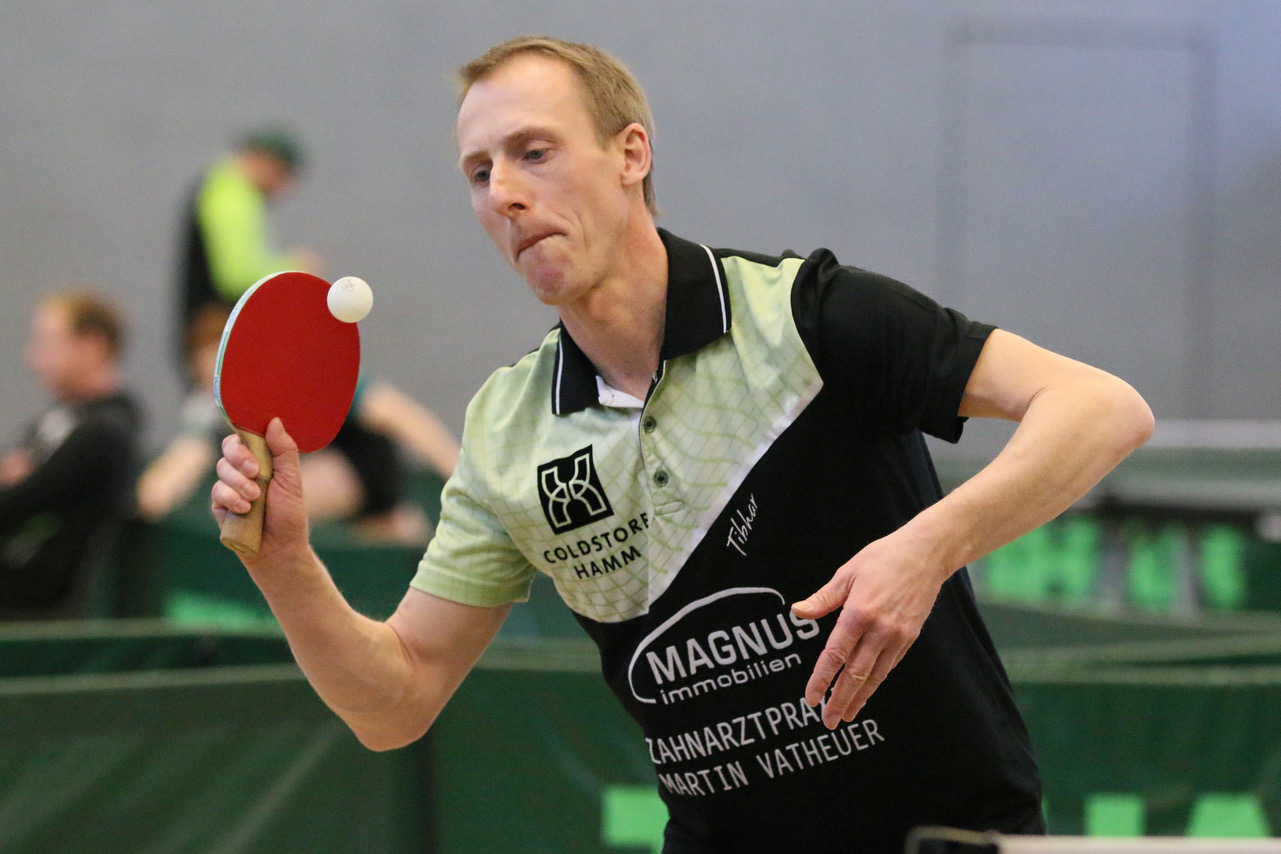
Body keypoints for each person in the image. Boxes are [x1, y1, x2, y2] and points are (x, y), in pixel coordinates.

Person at [210, 37, 1154, 853]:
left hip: (947, 838)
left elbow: (1099, 407)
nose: (505, 194)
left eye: (533, 152)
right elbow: (396, 701)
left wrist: (926, 548)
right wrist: (284, 564)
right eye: (478, 172)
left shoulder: (805, 318)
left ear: (630, 154)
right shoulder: (507, 431)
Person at [139, 303, 458, 543]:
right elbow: (186, 455)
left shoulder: (303, 377)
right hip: (321, 471)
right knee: (397, 559)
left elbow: (404, 418)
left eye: (221, 362)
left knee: (268, 515)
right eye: (205, 371)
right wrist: (151, 497)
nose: (214, 379)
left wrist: (461, 476)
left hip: (361, 459)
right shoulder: (208, 402)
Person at [1, 289, 142, 619]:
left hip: (34, 608)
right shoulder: (61, 416)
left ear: (92, 346)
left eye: (48, 344)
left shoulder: (104, 431)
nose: (34, 359)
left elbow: (17, 504)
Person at [175, 127, 322, 377]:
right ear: (264, 161)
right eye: (282, 174)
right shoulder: (231, 195)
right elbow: (235, 278)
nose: (284, 188)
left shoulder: (227, 190)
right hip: (217, 343)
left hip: (215, 341)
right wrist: (296, 268)